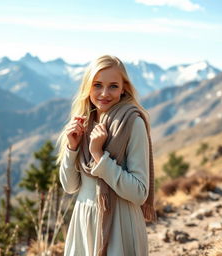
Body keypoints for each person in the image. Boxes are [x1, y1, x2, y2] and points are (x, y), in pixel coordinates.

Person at [57, 55, 156, 256]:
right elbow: (70, 186)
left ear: (123, 88)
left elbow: (139, 192)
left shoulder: (132, 123)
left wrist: (98, 155)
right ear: (88, 87)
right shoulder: (83, 123)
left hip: (121, 224)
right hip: (84, 221)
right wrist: (72, 148)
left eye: (113, 86)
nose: (104, 93)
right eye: (97, 85)